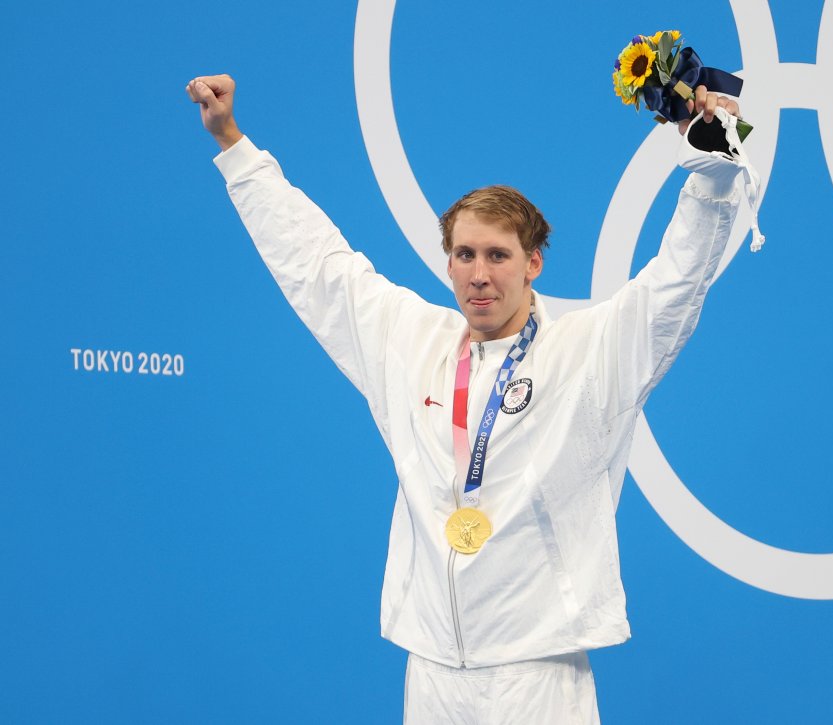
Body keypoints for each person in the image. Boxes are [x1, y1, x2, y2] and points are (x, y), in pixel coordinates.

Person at [187, 73, 745, 724]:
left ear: (534, 262)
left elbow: (675, 286)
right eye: (465, 254)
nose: (480, 274)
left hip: (537, 672)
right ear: (447, 261)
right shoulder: (408, 341)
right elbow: (315, 264)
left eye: (498, 255)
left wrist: (713, 172)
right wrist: (233, 145)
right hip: (431, 670)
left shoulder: (589, 354)